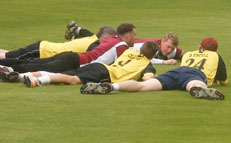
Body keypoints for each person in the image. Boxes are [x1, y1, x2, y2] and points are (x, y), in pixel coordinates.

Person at [79, 37, 226, 101]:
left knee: (143, 86)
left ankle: (112, 87)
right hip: (195, 74)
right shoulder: (215, 56)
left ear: (199, 47)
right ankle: (198, 89)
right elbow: (223, 80)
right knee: (193, 83)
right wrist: (220, 82)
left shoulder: (188, 54)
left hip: (175, 72)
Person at [0, 23, 136, 75]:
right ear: (128, 35)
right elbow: (118, 66)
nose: (135, 38)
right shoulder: (120, 45)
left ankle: (5, 67)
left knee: (27, 62)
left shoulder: (107, 39)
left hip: (66, 56)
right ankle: (5, 70)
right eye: (134, 35)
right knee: (32, 66)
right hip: (70, 60)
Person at [21, 41, 159, 88]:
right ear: (153, 56)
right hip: (106, 74)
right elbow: (147, 79)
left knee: (63, 74)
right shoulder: (148, 65)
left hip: (99, 66)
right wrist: (155, 74)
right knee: (72, 80)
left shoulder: (129, 51)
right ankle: (38, 80)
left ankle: (21, 75)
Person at [0, 26, 116, 60]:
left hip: (43, 48)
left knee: (13, 54)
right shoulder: (93, 45)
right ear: (105, 38)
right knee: (9, 57)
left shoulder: (91, 37)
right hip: (43, 51)